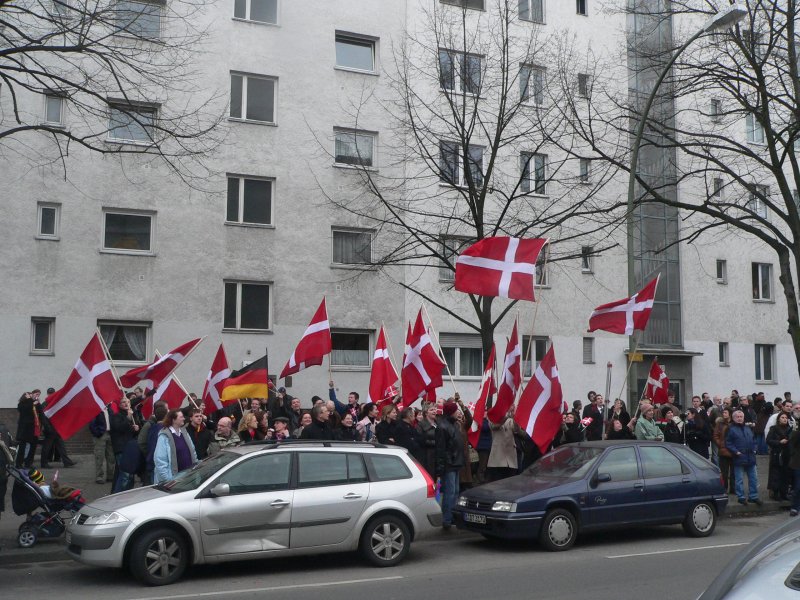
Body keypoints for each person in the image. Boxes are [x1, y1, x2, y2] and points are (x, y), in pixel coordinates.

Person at [435, 401, 465, 530]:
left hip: (456, 462)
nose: (458, 412)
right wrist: (441, 467)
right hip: (449, 464)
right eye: (455, 410)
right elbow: (441, 449)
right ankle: (447, 519)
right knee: (449, 492)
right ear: (450, 412)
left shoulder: (454, 425)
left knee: (456, 492)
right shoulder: (442, 427)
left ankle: (452, 516)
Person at [726, 409, 762, 506]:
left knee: (753, 478)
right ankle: (741, 497)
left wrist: (755, 449)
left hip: (751, 457)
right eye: (737, 417)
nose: (739, 418)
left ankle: (753, 496)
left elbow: (754, 440)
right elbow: (728, 443)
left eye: (741, 416)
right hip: (739, 457)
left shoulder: (747, 428)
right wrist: (736, 452)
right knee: (739, 479)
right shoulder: (731, 429)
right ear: (733, 418)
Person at [153, 410, 198, 485]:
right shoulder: (164, 436)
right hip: (174, 481)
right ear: (173, 420)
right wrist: (167, 481)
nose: (184, 418)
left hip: (189, 478)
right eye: (181, 417)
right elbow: (160, 460)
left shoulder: (184, 432)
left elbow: (193, 451)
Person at [39, 387, 76, 469]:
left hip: (56, 429)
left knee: (61, 446)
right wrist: (47, 428)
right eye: (50, 393)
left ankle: (67, 462)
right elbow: (43, 418)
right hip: (49, 429)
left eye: (53, 393)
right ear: (48, 394)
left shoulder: (56, 403)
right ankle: (44, 463)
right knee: (47, 447)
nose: (51, 394)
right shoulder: (44, 404)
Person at [110, 396, 140, 493]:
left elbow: (131, 433)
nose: (126, 403)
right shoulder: (116, 416)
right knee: (125, 474)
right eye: (123, 402)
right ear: (119, 405)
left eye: (128, 401)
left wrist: (136, 429)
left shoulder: (132, 415)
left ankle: (127, 494)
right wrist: (128, 417)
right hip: (121, 449)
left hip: (130, 448)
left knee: (130, 474)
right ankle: (119, 494)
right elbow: (119, 428)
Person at [487, 410, 519, 481]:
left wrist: (515, 418)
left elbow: (516, 430)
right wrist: (506, 417)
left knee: (510, 483)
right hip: (498, 458)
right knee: (498, 482)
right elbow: (495, 426)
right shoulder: (492, 418)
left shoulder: (510, 420)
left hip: (510, 458)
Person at [766, 412, 791, 501]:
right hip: (777, 454)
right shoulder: (773, 429)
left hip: (787, 454)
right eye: (782, 417)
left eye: (785, 418)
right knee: (776, 474)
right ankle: (775, 494)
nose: (784, 419)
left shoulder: (790, 429)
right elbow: (768, 440)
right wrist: (779, 442)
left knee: (786, 474)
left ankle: (784, 493)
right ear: (778, 419)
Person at [15, 391, 41, 468]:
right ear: (25, 397)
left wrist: (37, 403)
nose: (30, 397)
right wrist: (30, 400)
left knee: (32, 447)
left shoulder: (32, 404)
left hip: (32, 429)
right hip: (24, 430)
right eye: (29, 395)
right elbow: (25, 410)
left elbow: (38, 411)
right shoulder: (21, 404)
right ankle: (18, 464)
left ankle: (28, 463)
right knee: (22, 448)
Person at [418, 403, 438, 476]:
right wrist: (435, 442)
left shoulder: (437, 423)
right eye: (431, 410)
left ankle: (439, 488)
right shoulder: (421, 424)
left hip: (438, 455)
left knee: (439, 478)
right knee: (430, 476)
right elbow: (420, 440)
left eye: (435, 409)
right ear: (426, 413)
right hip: (428, 456)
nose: (434, 411)